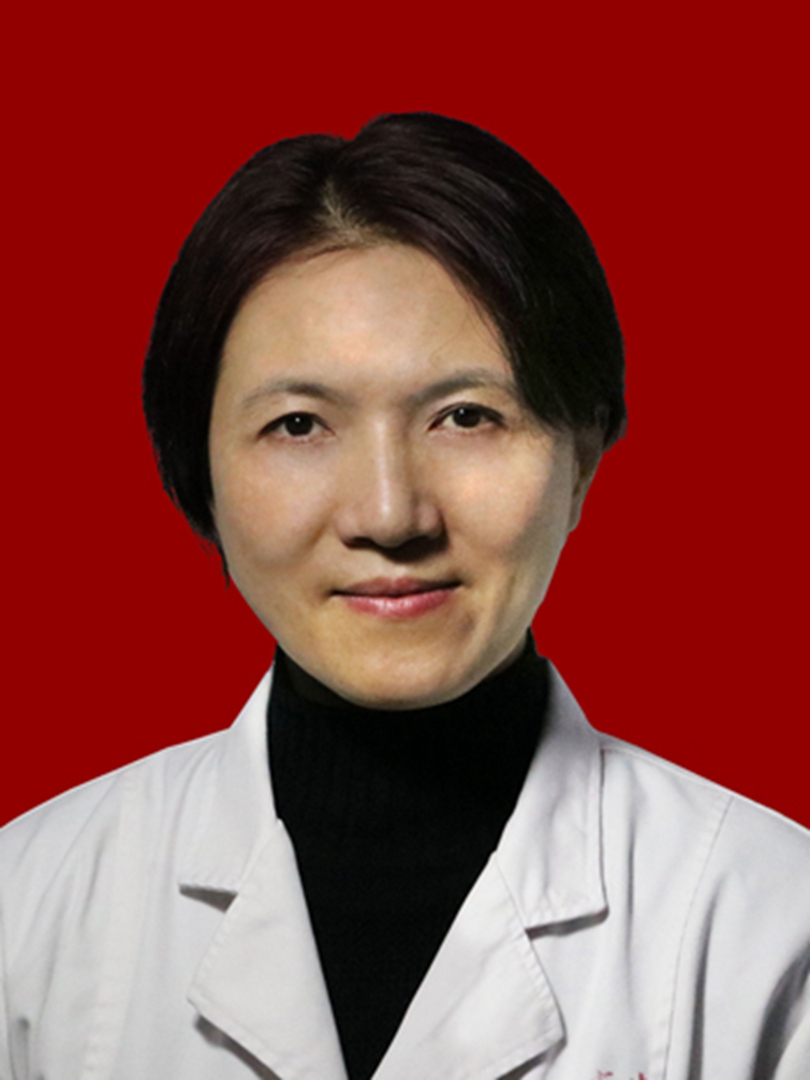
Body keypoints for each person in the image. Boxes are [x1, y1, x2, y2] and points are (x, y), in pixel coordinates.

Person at [0, 113, 808, 1080]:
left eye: (466, 417)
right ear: (199, 474)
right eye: (299, 425)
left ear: (582, 459)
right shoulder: (27, 903)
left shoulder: (770, 919)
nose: (389, 515)